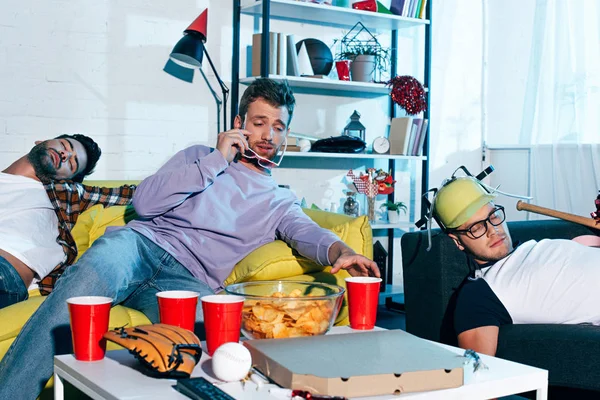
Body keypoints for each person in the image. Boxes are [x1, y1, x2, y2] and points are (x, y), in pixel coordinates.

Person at [0, 78, 379, 399]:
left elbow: (306, 232)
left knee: (223, 343)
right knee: (85, 283)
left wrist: (341, 249)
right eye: (260, 122)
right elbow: (145, 203)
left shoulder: (279, 199)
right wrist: (216, 159)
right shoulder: (199, 156)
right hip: (139, 247)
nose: (268, 134)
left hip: (188, 281)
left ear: (286, 135)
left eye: (278, 127)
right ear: (239, 124)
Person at [428, 168, 600, 357]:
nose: (493, 231)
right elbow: (477, 369)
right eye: (476, 228)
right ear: (457, 241)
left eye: (493, 216)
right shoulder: (479, 295)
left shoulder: (533, 248)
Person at [0, 134, 136, 308]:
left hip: (5, 272)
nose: (65, 155)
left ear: (67, 178)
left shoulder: (67, 193)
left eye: (72, 164)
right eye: (64, 145)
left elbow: (143, 194)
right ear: (41, 142)